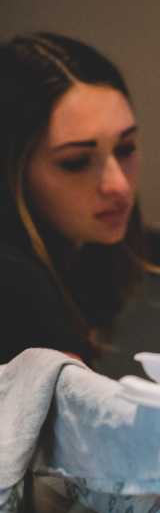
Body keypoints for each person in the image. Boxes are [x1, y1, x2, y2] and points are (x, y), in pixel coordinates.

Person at [0, 33, 148, 366]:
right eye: (76, 162)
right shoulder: (15, 289)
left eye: (125, 149)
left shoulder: (77, 262)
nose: (118, 186)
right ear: (11, 173)